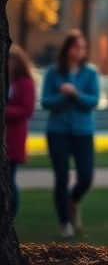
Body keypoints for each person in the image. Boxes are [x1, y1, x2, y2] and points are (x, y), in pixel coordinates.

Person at [41, 30, 101, 238]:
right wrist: (61, 96)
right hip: (58, 131)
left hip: (83, 131)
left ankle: (73, 200)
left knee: (86, 176)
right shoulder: (53, 72)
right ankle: (64, 222)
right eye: (76, 47)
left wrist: (75, 93)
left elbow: (93, 101)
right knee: (61, 177)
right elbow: (45, 102)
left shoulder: (90, 73)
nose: (80, 51)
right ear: (67, 48)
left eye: (83, 47)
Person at [6, 47, 36, 217]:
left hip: (14, 138)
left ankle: (10, 216)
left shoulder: (25, 83)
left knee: (9, 179)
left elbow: (27, 110)